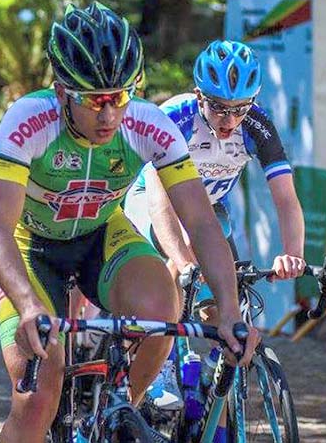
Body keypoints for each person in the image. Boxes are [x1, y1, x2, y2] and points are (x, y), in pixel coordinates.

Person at [0, 2, 260, 443]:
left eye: (120, 97)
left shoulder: (148, 124)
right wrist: (29, 304)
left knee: (160, 309)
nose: (109, 114)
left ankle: (114, 409)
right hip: (31, 244)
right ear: (61, 92)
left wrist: (227, 311)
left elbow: (203, 223)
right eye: (95, 100)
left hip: (99, 236)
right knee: (36, 399)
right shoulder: (28, 121)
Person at [124, 40, 306, 412]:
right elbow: (161, 204)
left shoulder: (257, 125)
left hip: (208, 210)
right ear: (198, 96)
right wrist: (185, 261)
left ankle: (212, 375)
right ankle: (158, 360)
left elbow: (286, 198)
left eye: (240, 109)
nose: (229, 120)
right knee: (178, 267)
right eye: (219, 108)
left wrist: (293, 254)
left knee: (225, 306)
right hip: (152, 200)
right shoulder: (175, 116)